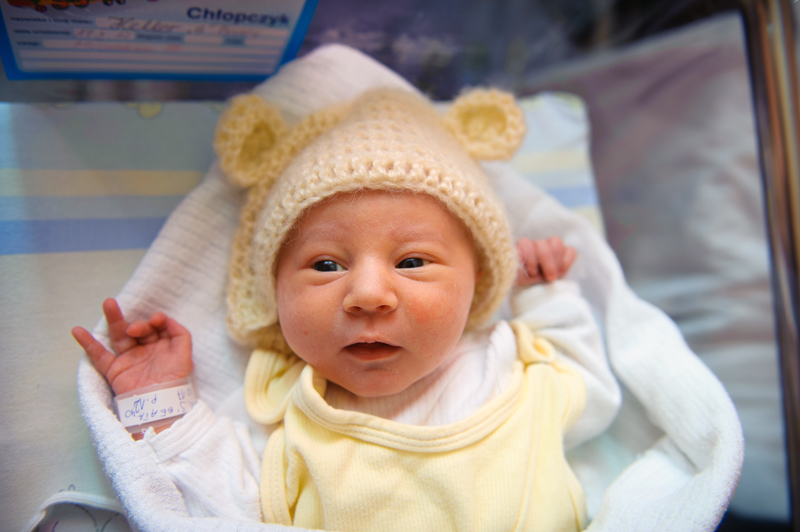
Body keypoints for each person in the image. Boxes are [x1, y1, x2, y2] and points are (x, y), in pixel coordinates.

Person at [73, 87, 616, 531]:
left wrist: (544, 293)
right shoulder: (285, 406)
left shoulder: (507, 362)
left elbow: (593, 395)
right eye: (326, 265)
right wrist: (158, 401)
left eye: (412, 261)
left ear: (478, 283)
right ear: (274, 295)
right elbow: (220, 502)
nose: (369, 294)